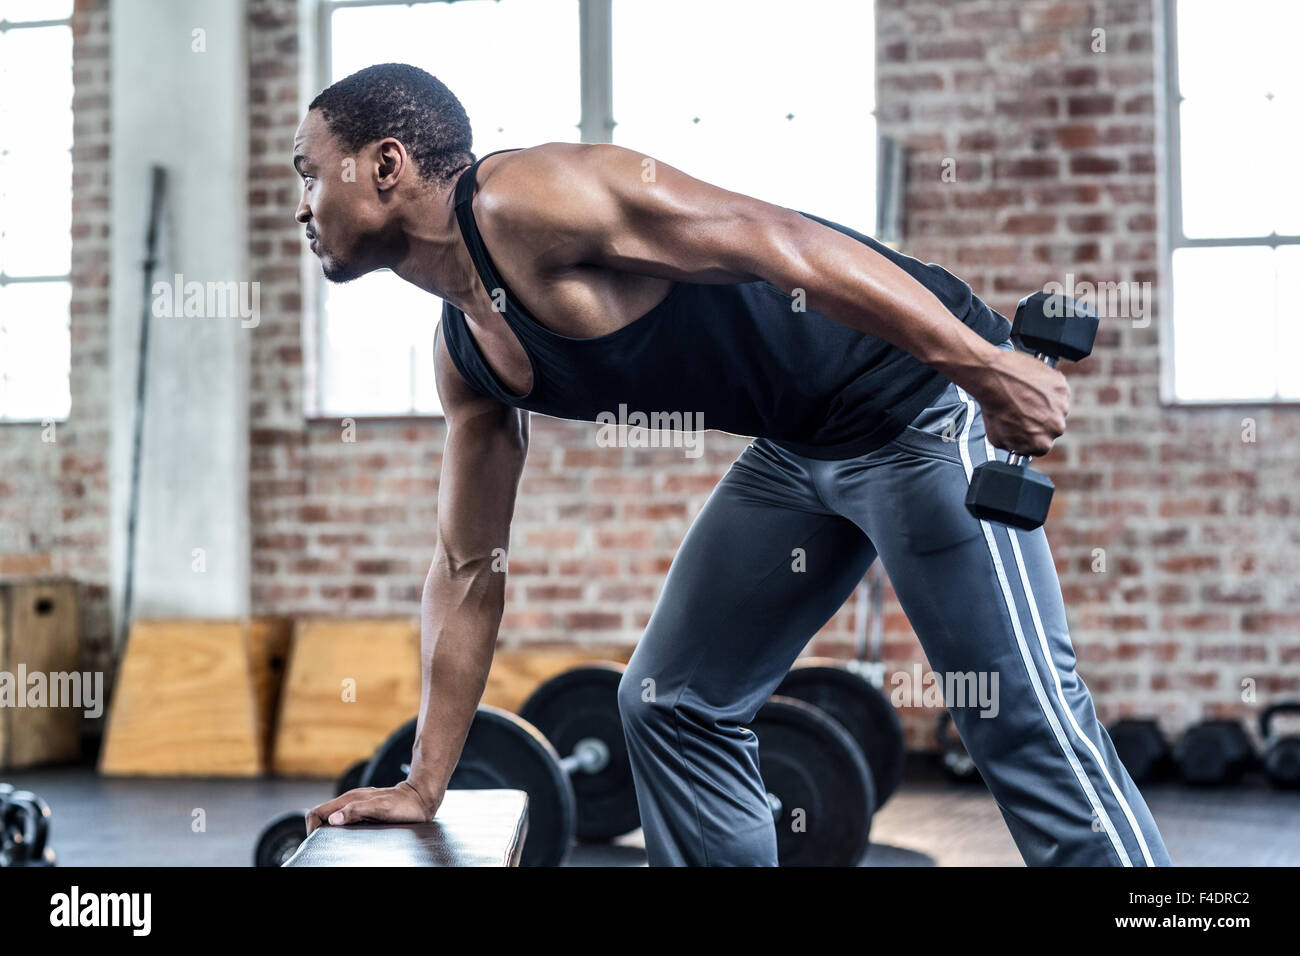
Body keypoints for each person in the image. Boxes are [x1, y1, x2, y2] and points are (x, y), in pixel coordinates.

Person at [299, 63, 1169, 866]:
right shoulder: (469, 358)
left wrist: (983, 366)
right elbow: (465, 567)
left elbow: (774, 236)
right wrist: (424, 783)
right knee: (672, 702)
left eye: (309, 171)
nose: (301, 205)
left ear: (386, 165)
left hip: (915, 400)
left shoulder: (529, 198)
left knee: (1014, 717)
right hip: (798, 446)